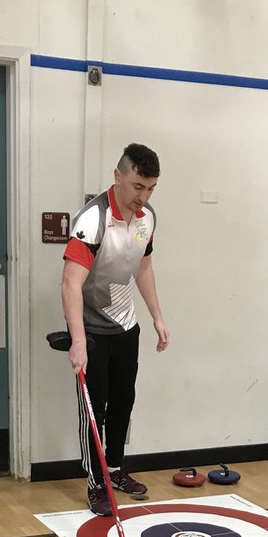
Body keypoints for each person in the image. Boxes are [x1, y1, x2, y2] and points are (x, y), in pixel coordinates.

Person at [62, 143, 169, 516]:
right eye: (138, 186)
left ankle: (115, 470)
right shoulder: (92, 219)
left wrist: (156, 317)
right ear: (118, 176)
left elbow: (143, 267)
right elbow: (70, 283)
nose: (144, 196)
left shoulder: (147, 217)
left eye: (151, 188)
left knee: (124, 401)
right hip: (93, 331)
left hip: (126, 326)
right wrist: (78, 341)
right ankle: (96, 483)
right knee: (96, 408)